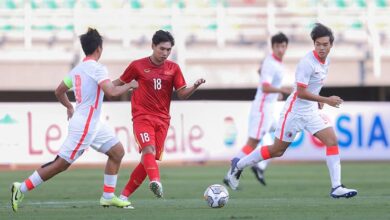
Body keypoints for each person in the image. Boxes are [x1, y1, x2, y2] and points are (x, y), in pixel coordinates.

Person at [11, 28, 138, 212]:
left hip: (92, 123)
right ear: (99, 49)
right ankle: (20, 188)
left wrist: (70, 107)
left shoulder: (78, 69)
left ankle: (108, 196)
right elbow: (110, 92)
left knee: (117, 152)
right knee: (60, 164)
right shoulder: (98, 68)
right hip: (85, 125)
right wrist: (130, 85)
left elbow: (59, 91)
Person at [226, 23, 358, 199]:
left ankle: (336, 187)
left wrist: (318, 101)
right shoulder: (306, 63)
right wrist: (326, 100)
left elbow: (313, 87)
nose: (321, 48)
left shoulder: (327, 61)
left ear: (331, 45)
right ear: (314, 44)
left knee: (332, 140)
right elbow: (301, 92)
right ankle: (239, 165)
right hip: (294, 112)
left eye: (325, 44)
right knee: (277, 150)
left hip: (310, 111)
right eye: (318, 44)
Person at [113, 30, 205, 201]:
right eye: (162, 49)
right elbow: (116, 84)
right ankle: (156, 181)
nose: (165, 53)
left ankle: (123, 197)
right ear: (153, 46)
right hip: (142, 116)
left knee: (148, 160)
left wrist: (195, 86)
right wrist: (100, 88)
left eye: (168, 50)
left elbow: (182, 94)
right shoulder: (137, 66)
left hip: (162, 120)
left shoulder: (173, 68)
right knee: (148, 149)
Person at [223, 32, 291, 186]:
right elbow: (265, 87)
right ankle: (231, 174)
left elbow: (261, 73)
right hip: (262, 109)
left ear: (286, 47)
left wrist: (277, 94)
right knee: (252, 143)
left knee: (284, 129)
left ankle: (259, 165)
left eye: (283, 46)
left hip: (269, 107)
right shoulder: (271, 63)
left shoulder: (276, 63)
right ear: (273, 47)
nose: (280, 49)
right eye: (277, 46)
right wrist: (283, 91)